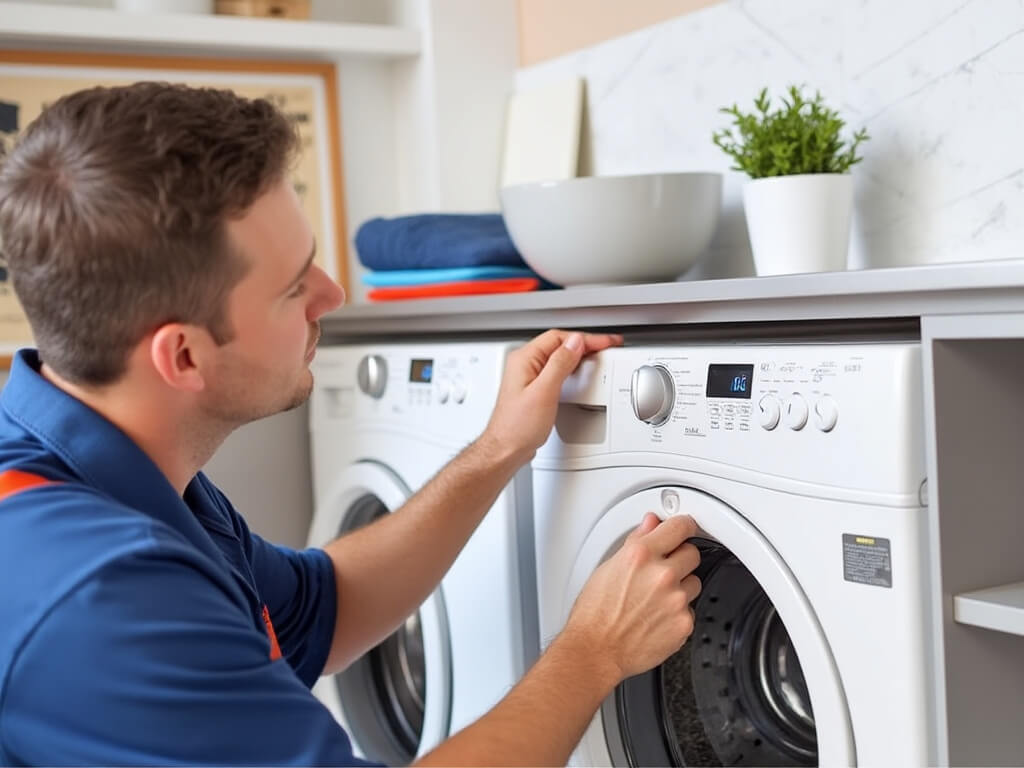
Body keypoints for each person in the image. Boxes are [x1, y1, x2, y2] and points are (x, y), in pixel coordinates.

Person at [0, 82, 702, 766]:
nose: (332, 295)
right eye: (293, 286)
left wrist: (498, 449)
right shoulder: (104, 594)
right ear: (183, 355)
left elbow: (322, 612)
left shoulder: (120, 468)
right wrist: (593, 653)